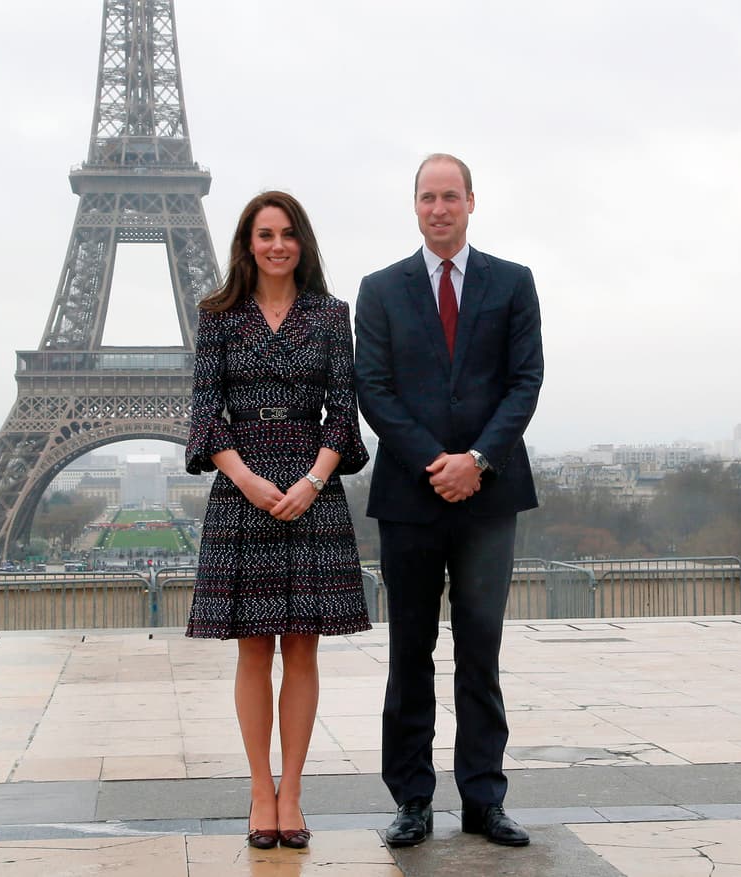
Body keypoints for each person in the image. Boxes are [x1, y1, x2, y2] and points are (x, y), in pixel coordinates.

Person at [354, 154, 543, 849]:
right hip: (412, 495)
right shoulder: (379, 290)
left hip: (488, 499)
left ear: (471, 201)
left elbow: (526, 381)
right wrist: (437, 461)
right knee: (410, 654)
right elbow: (372, 389)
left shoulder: (514, 283)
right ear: (415, 205)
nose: (439, 208)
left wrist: (478, 461)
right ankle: (411, 799)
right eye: (428, 197)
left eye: (450, 196)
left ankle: (483, 799)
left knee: (481, 654)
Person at [185, 190, 371, 850]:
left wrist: (314, 479)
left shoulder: (330, 314)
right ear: (247, 243)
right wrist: (247, 478)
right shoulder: (219, 317)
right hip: (246, 483)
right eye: (265, 233)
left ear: (303, 242)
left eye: (288, 233)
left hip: (310, 480)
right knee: (254, 647)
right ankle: (259, 789)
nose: (277, 244)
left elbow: (344, 414)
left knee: (302, 646)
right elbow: (205, 412)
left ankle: (292, 789)